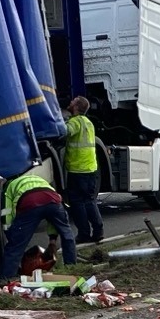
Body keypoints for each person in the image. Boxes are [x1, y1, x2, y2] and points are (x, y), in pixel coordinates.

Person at [0, 170, 75, 284]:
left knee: (16, 246)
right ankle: (71, 266)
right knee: (67, 233)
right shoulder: (35, 179)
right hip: (53, 200)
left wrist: (12, 235)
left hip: (30, 203)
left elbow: (7, 213)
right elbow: (52, 220)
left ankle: (6, 277)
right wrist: (52, 241)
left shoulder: (9, 187)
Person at [61, 96, 103, 243]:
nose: (70, 101)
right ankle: (98, 230)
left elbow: (65, 131)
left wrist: (57, 122)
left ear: (77, 107)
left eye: (73, 101)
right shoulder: (88, 123)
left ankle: (84, 233)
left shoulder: (75, 122)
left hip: (77, 170)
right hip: (90, 168)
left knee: (78, 203)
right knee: (90, 200)